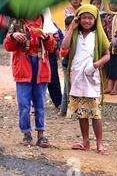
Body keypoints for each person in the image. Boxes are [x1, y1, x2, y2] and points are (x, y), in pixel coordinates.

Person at [61, 4, 110, 154]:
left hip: (92, 77)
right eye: (84, 18)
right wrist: (72, 28)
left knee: (95, 113)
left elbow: (107, 55)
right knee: (82, 112)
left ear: (95, 20)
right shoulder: (75, 34)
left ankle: (99, 144)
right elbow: (64, 46)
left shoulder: (99, 35)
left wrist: (96, 64)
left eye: (90, 18)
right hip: (77, 77)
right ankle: (85, 141)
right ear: (78, 18)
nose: (87, 21)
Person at [4, 15, 55, 147]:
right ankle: (26, 134)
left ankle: (41, 134)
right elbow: (8, 46)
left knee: (40, 103)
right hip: (22, 66)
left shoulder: (46, 22)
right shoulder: (17, 23)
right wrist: (13, 36)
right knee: (24, 103)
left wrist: (46, 37)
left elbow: (52, 47)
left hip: (40, 66)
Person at [47, 21, 64, 113]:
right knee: (35, 79)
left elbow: (60, 36)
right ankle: (34, 104)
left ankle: (58, 102)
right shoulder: (26, 22)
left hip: (50, 54)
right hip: (34, 55)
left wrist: (58, 48)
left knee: (53, 78)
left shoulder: (51, 24)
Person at [59, 16, 74, 117]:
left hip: (73, 64)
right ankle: (67, 110)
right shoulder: (67, 36)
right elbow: (63, 52)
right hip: (67, 64)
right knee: (68, 87)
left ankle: (64, 109)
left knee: (68, 87)